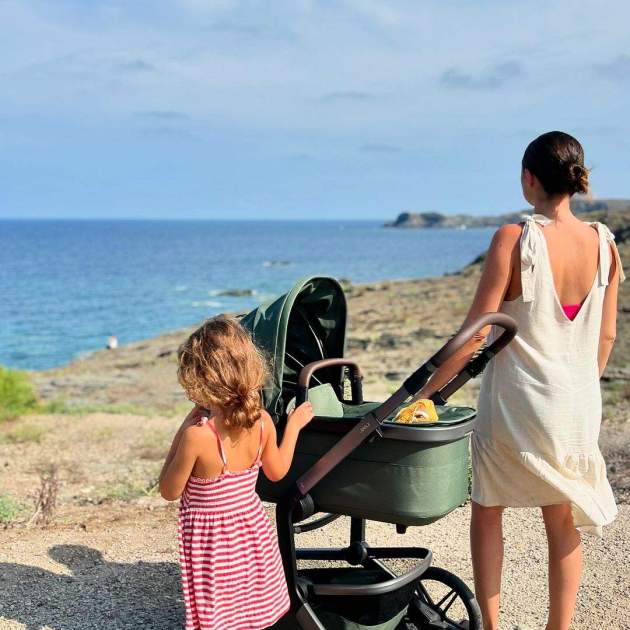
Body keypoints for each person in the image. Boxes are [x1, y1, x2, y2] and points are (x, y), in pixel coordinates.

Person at [418, 131, 624, 630]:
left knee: (489, 509)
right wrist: (575, 385)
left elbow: (475, 333)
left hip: (515, 403)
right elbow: (608, 335)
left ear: (529, 179)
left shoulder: (515, 239)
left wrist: (423, 395)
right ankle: (560, 626)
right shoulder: (605, 244)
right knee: (561, 514)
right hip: (575, 404)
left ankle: (491, 626)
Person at [159, 316, 314, 630]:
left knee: (220, 609)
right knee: (248, 601)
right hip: (250, 531)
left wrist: (184, 427)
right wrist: (294, 426)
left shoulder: (197, 436)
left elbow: (168, 490)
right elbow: (277, 471)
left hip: (213, 543)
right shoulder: (263, 423)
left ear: (201, 380)